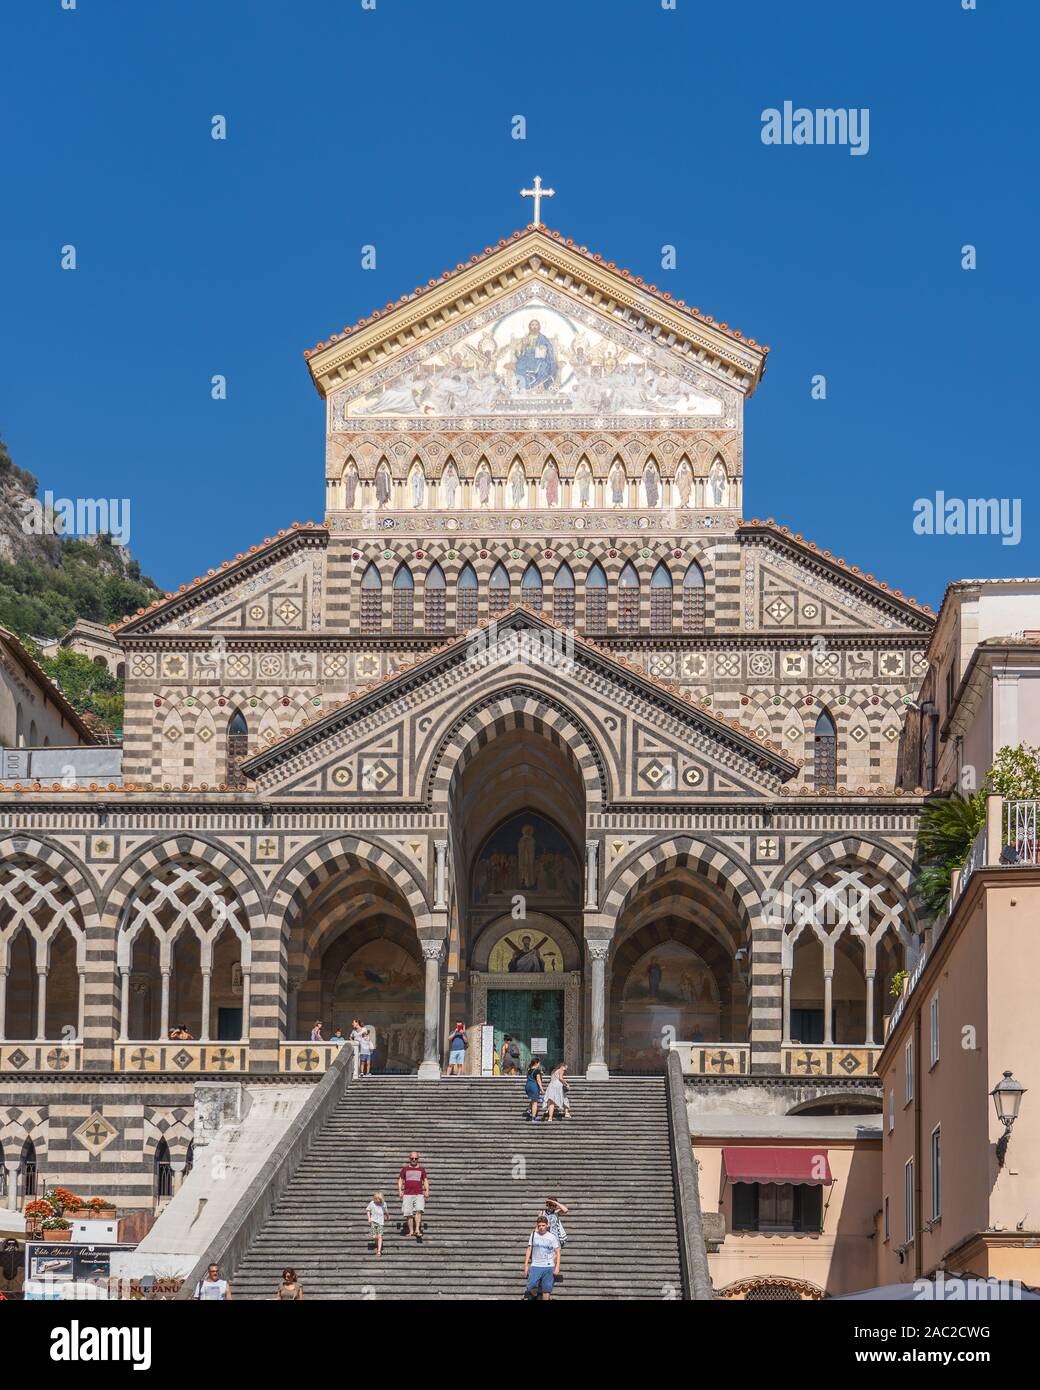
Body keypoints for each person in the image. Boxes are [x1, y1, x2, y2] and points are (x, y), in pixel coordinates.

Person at [523, 1215, 561, 1300]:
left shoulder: (552, 1237)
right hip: (535, 1265)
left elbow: (558, 1251)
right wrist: (525, 1265)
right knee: (531, 1286)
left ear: (547, 1225)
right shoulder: (533, 1235)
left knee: (546, 1289)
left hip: (548, 1266)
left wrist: (557, 1266)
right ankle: (535, 1295)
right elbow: (529, 1249)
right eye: (539, 1225)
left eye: (543, 1225)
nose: (541, 1227)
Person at [398, 1150, 429, 1242]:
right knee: (409, 1214)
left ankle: (417, 1229)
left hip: (419, 1193)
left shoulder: (422, 1169)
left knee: (419, 1210)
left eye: (416, 1158)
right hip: (407, 1194)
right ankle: (411, 1231)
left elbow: (426, 1180)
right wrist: (400, 1190)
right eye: (412, 1158)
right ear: (409, 1158)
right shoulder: (405, 1169)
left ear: (418, 1159)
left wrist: (427, 1190)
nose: (414, 1160)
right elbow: (400, 1180)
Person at [366, 1191, 388, 1256]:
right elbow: (368, 1210)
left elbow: (386, 1211)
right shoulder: (372, 1203)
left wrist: (387, 1216)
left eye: (379, 1200)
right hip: (374, 1221)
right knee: (374, 1236)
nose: (377, 1201)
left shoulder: (384, 1204)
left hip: (380, 1222)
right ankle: (377, 1244)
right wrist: (369, 1218)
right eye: (376, 1200)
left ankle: (379, 1251)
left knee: (380, 1236)